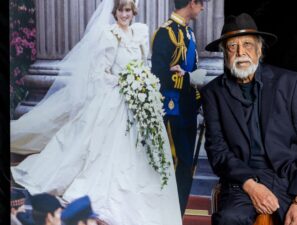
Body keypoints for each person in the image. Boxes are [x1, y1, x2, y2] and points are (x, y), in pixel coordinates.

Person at [10, 0, 182, 224]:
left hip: (140, 99)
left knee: (143, 151)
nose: (124, 14)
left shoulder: (139, 33)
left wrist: (144, 82)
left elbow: (144, 65)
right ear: (115, 12)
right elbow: (101, 73)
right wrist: (125, 82)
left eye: (128, 10)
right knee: (108, 151)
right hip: (117, 98)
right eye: (121, 10)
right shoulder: (109, 36)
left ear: (133, 12)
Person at [201, 13, 297, 225]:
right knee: (230, 219)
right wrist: (251, 185)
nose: (241, 52)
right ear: (224, 53)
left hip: (289, 177)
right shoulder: (213, 93)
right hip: (244, 179)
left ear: (259, 49)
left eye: (247, 44)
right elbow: (217, 151)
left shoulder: (289, 83)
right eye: (232, 46)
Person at [151, 0, 207, 215]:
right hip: (173, 108)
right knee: (178, 161)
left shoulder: (188, 33)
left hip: (189, 106)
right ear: (192, 2)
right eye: (201, 3)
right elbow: (158, 76)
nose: (203, 8)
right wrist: (184, 78)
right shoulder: (166, 33)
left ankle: (177, 213)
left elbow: (192, 68)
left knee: (186, 165)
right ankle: (168, 213)